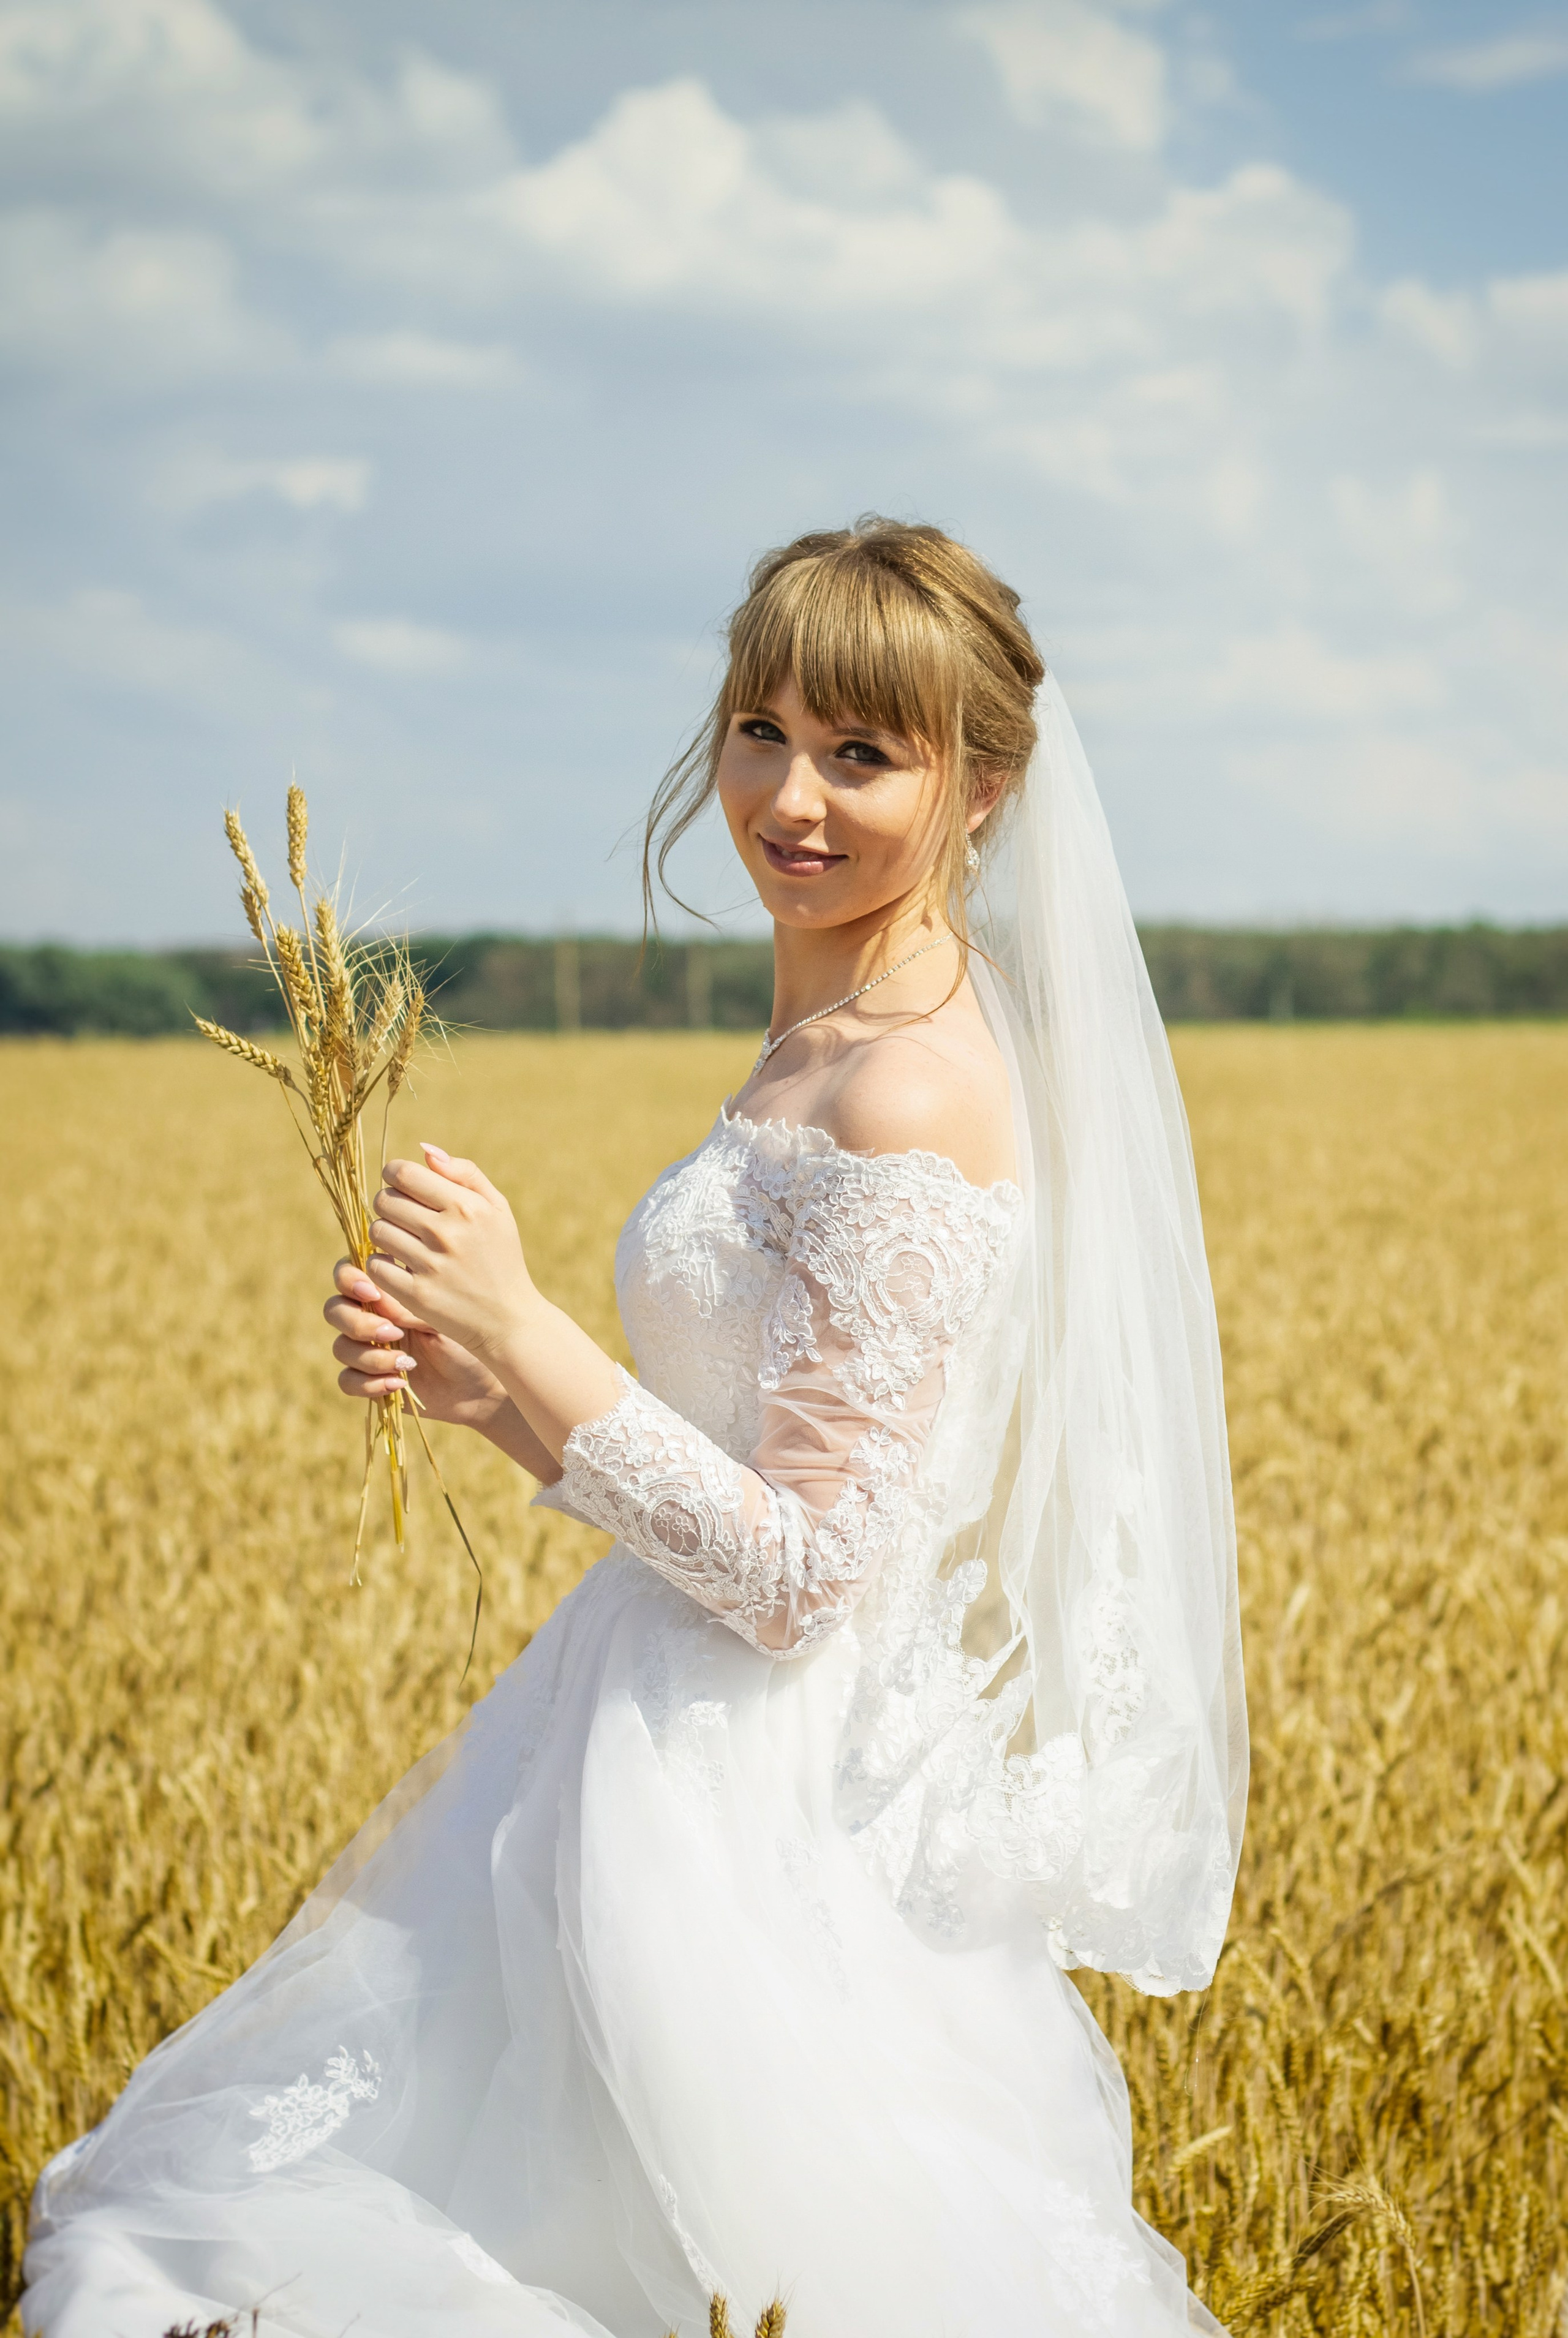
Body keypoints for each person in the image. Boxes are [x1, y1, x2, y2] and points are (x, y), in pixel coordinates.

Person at [24, 520, 1247, 2337]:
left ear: (984, 788)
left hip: (749, 1818)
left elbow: (804, 1573)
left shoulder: (907, 1081)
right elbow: (738, 1467)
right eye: (762, 728)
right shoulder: (833, 1023)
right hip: (645, 1744)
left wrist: (529, 1325)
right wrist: (490, 1393)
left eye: (864, 753)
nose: (790, 795)